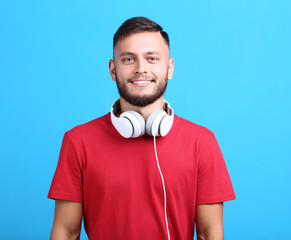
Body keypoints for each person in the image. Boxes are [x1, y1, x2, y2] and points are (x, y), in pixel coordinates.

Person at [48, 16, 235, 240]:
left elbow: (208, 233)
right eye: (128, 59)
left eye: (152, 58)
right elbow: (66, 233)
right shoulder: (78, 141)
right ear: (113, 69)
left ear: (170, 68)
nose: (141, 69)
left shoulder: (202, 141)